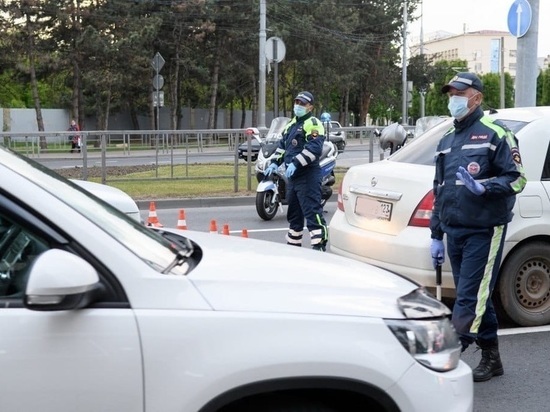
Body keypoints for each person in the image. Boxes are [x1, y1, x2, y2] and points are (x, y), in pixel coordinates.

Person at [429, 72, 526, 382]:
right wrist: (435, 233)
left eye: (460, 92)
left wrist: (487, 188)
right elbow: (439, 189)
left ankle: (445, 358)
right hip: (454, 230)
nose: (453, 99)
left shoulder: (496, 133)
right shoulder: (447, 140)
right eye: (450, 93)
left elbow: (518, 178)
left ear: (477, 98)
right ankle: (492, 358)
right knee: (476, 295)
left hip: (484, 229)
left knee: (469, 298)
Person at [264, 91, 328, 251]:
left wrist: (296, 163)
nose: (298, 106)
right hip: (292, 178)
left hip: (308, 176)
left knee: (312, 213)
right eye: (297, 102)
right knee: (294, 215)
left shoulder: (313, 123)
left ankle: (319, 248)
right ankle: (294, 248)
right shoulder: (291, 125)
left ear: (310, 107)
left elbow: (314, 148)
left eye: (302, 103)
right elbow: (282, 148)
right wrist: (273, 163)